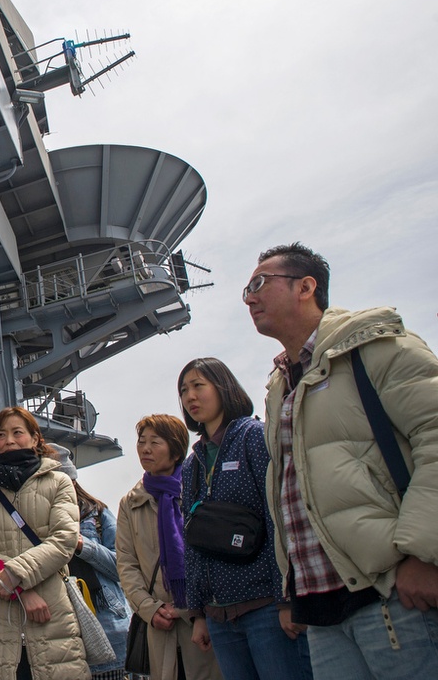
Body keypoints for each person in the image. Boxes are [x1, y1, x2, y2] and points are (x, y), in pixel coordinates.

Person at [244, 242, 438, 679]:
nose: (250, 298)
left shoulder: (376, 347)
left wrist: (424, 556)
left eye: (259, 284)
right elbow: (292, 495)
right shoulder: (280, 388)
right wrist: (292, 593)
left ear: (306, 287)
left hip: (392, 594)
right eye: (246, 290)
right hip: (322, 612)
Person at [177, 358, 313, 680]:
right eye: (184, 390)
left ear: (223, 387)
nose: (190, 397)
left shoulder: (252, 436)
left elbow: (277, 515)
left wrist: (285, 599)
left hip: (265, 607)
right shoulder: (191, 465)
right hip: (219, 617)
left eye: (199, 386)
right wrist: (198, 613)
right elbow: (193, 542)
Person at [0, 406, 90, 680]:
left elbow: (64, 540)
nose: (8, 440)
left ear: (35, 439)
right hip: (0, 621)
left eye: (17, 432)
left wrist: (13, 575)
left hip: (52, 616)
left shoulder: (59, 482)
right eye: (1, 434)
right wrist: (21, 591)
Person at [116, 414, 222, 680]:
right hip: (159, 624)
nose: (145, 449)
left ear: (176, 451)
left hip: (203, 620)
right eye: (142, 441)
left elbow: (212, 555)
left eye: (155, 442)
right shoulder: (130, 502)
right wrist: (149, 609)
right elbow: (126, 564)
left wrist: (191, 609)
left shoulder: (199, 489)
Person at [49, 443, 131, 680]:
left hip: (108, 632)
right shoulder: (35, 521)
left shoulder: (98, 514)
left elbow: (122, 567)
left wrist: (81, 544)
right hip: (60, 641)